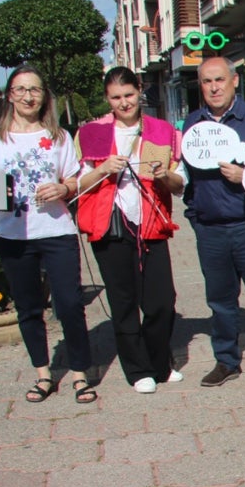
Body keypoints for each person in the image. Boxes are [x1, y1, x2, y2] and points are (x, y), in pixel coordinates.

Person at [0, 65, 95, 404]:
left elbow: (75, 180)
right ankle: (43, 373)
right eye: (21, 89)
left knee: (69, 304)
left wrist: (62, 188)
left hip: (55, 231)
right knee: (28, 307)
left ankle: (81, 373)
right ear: (9, 94)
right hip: (12, 233)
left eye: (35, 90)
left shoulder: (59, 137)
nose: (28, 96)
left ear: (44, 97)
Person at [72, 66, 184, 394]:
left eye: (129, 95)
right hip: (110, 224)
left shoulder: (163, 131)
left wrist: (164, 174)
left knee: (161, 300)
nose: (124, 103)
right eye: (116, 97)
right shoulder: (91, 132)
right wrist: (103, 168)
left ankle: (160, 363)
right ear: (107, 99)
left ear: (140, 91)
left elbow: (179, 184)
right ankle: (138, 370)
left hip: (151, 222)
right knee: (123, 301)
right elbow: (77, 184)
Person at [182, 56, 245, 391]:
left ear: (235, 80)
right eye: (207, 81)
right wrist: (195, 215)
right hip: (210, 227)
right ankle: (226, 360)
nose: (214, 88)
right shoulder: (192, 124)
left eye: (220, 80)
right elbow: (186, 177)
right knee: (220, 300)